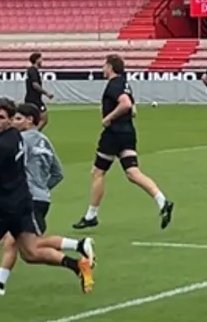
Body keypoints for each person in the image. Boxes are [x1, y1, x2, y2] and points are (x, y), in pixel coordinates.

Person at [0, 99, 94, 313]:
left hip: (4, 208)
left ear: (11, 119)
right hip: (22, 203)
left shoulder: (2, 145)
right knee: (30, 253)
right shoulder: (15, 136)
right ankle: (76, 264)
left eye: (2, 117)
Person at [0, 104, 93, 296]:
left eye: (17, 119)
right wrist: (43, 189)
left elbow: (8, 163)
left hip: (25, 198)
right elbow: (58, 173)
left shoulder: (20, 140)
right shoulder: (44, 140)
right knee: (16, 244)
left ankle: (78, 247)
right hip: (40, 198)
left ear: (30, 120)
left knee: (32, 248)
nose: (13, 123)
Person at [73, 54, 173, 232]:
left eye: (104, 65)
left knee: (98, 172)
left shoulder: (114, 84)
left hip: (114, 134)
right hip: (128, 132)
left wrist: (108, 118)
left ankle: (91, 215)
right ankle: (162, 201)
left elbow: (126, 104)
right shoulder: (125, 84)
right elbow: (133, 110)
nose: (103, 69)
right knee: (133, 172)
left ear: (110, 67)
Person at [24, 50, 51, 130]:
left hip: (33, 99)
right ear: (37, 60)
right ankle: (33, 134)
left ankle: (32, 133)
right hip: (34, 100)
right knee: (43, 119)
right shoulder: (33, 70)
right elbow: (35, 85)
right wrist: (47, 93)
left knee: (35, 120)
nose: (42, 60)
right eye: (41, 59)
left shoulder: (32, 70)